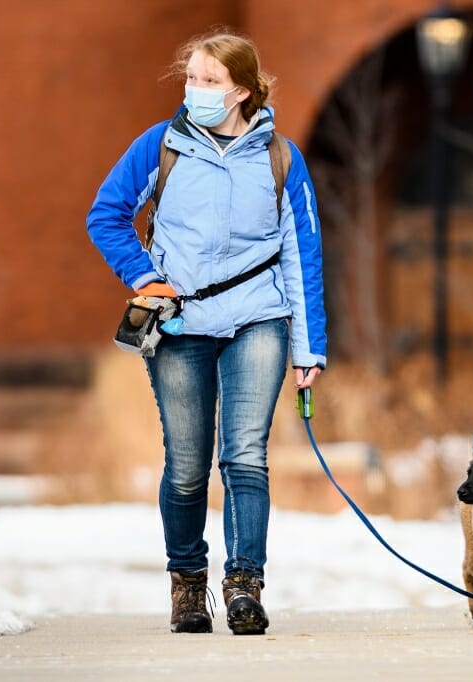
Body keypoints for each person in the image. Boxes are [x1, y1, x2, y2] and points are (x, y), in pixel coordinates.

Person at [86, 29, 326, 635]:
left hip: (257, 320)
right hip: (181, 325)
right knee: (188, 465)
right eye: (191, 78)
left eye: (209, 81)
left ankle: (245, 584)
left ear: (241, 90)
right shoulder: (159, 147)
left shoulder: (281, 159)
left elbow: (302, 255)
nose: (195, 90)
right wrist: (144, 275)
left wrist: (309, 345)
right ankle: (188, 584)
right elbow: (106, 215)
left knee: (245, 457)